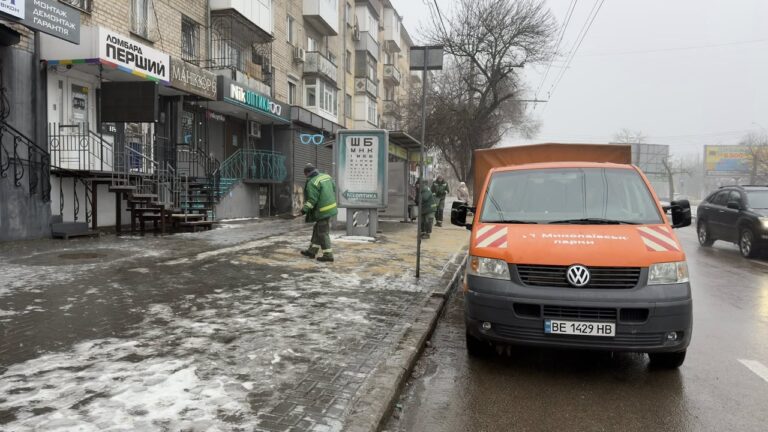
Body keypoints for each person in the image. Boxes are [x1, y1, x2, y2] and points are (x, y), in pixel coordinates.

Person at [300, 163, 338, 262]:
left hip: (323, 211)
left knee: (322, 233)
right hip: (330, 208)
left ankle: (328, 255)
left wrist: (303, 210)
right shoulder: (326, 176)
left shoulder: (312, 182)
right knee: (317, 229)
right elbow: (333, 187)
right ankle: (312, 251)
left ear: (307, 173)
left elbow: (312, 200)